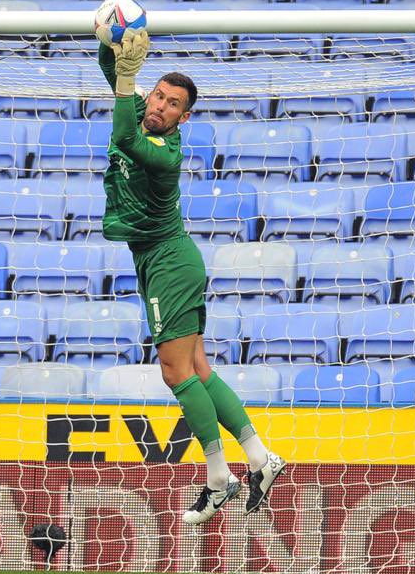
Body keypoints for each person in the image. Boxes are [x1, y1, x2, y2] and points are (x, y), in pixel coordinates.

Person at [96, 27, 286, 525]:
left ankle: (218, 477)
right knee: (199, 368)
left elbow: (121, 137)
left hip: (168, 263)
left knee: (175, 371)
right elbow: (109, 70)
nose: (159, 105)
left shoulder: (165, 154)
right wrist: (114, 40)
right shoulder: (139, 108)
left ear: (184, 116)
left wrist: (126, 77)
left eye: (172, 102)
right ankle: (260, 458)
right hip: (165, 258)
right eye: (157, 94)